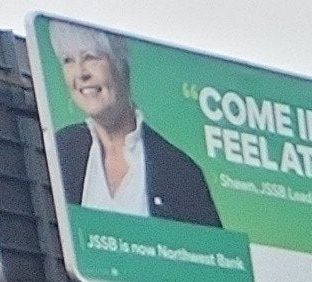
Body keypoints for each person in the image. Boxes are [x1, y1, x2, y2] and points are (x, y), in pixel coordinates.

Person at [51, 27, 219, 228]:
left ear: (121, 64)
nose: (80, 73)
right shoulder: (57, 151)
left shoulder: (181, 172)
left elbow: (211, 254)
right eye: (68, 60)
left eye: (90, 57)